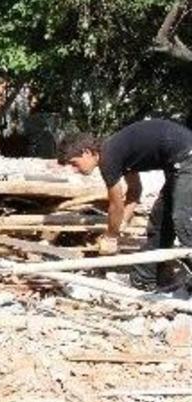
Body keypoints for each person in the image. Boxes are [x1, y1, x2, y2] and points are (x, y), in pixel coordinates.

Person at [57, 118, 192, 290]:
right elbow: (135, 191)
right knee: (160, 223)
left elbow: (116, 205)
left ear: (87, 152)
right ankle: (144, 278)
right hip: (177, 164)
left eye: (74, 163)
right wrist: (122, 222)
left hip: (187, 157)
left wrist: (111, 236)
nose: (75, 170)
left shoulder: (108, 159)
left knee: (184, 219)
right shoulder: (116, 151)